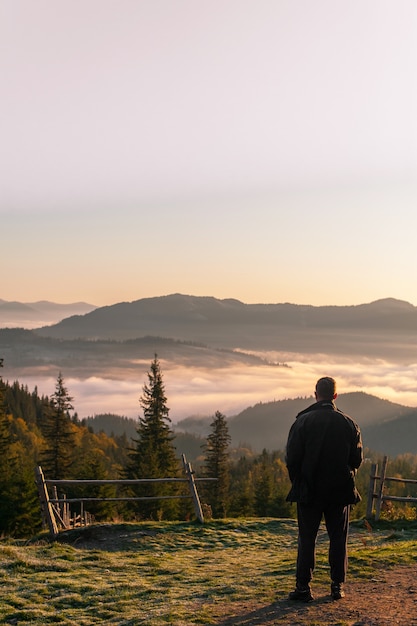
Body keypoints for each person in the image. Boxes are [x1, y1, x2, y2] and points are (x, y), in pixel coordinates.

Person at [285, 376, 363, 602]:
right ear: (335, 396)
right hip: (339, 490)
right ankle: (337, 586)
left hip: (309, 489)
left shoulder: (302, 422)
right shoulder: (349, 423)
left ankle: (303, 587)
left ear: (315, 394)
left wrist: (299, 482)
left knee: (307, 538)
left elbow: (292, 459)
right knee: (338, 537)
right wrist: (346, 474)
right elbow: (356, 460)